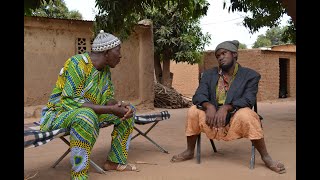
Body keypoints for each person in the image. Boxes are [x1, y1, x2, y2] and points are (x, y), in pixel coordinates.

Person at [170, 40, 286, 174]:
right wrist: (208, 106)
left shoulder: (250, 75)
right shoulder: (209, 74)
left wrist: (226, 108)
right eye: (218, 55)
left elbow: (249, 99)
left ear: (235, 54)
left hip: (234, 115)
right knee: (193, 111)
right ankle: (190, 151)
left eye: (224, 53)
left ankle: (266, 157)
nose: (220, 57)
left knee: (248, 115)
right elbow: (198, 95)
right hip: (212, 118)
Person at [39, 30, 138, 180]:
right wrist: (109, 109)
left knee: (128, 111)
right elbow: (70, 102)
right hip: (58, 114)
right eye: (118, 51)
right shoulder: (77, 63)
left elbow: (107, 98)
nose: (120, 55)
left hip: (89, 113)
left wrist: (117, 105)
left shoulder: (105, 71)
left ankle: (114, 161)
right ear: (106, 52)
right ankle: (79, 175)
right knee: (86, 116)